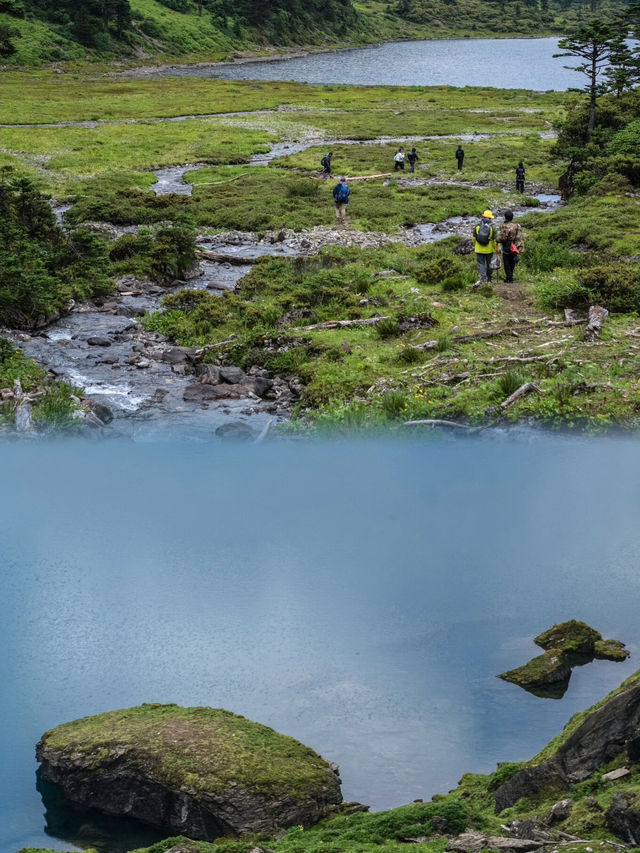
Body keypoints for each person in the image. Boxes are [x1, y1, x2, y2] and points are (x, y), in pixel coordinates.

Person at [498, 209, 524, 284]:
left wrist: (497, 240)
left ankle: (509, 278)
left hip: (507, 245)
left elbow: (503, 238)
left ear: (505, 217)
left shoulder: (506, 226)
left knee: (506, 262)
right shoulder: (517, 225)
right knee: (512, 262)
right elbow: (520, 236)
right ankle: (510, 277)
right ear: (512, 217)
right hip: (515, 245)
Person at [472, 209, 498, 284]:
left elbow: (474, 237)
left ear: (483, 216)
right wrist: (496, 248)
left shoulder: (478, 226)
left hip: (479, 249)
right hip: (489, 249)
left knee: (481, 264)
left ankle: (484, 278)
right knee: (490, 264)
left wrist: (475, 245)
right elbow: (496, 239)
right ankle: (489, 278)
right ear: (490, 218)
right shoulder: (492, 226)